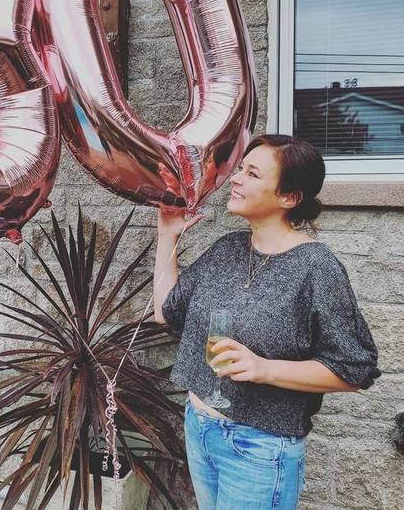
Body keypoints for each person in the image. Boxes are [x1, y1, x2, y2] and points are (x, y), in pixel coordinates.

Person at [153, 134, 380, 510]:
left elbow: (354, 370)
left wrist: (265, 368)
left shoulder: (316, 267)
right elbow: (166, 311)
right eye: (240, 169)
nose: (236, 178)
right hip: (199, 427)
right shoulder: (227, 248)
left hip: (259, 448)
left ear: (288, 197)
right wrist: (167, 234)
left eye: (252, 173)